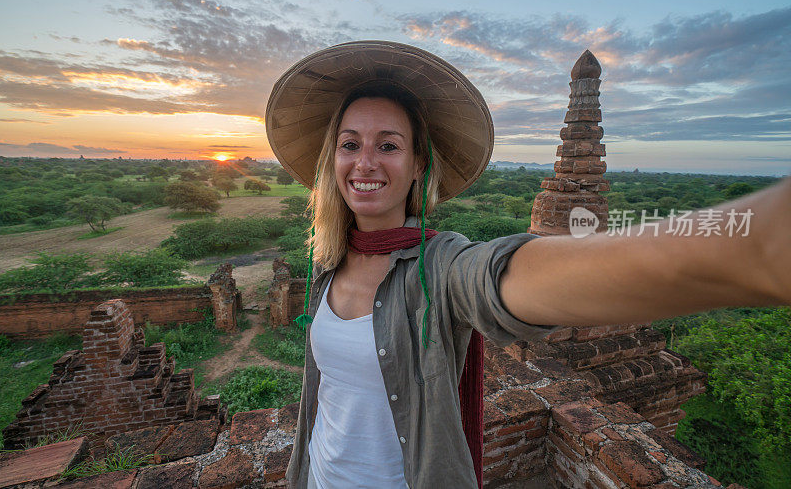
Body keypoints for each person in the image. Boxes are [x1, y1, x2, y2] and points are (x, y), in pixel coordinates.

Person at [264, 41, 791, 489]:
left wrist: (750, 246)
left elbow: (510, 277)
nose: (365, 162)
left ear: (418, 164)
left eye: (389, 145)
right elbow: (325, 398)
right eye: (350, 144)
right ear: (332, 160)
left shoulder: (441, 267)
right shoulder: (328, 261)